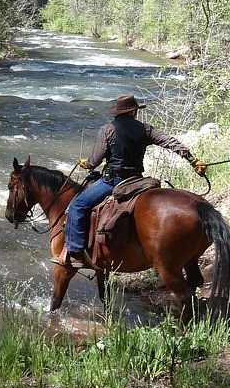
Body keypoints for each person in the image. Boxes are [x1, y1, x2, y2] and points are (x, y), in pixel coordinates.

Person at [61, 94, 207, 269]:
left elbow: (95, 161)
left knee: (78, 205)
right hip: (138, 180)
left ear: (118, 112)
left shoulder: (107, 129)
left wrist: (87, 163)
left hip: (113, 180)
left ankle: (75, 252)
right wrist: (192, 159)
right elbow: (170, 142)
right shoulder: (146, 129)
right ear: (134, 111)